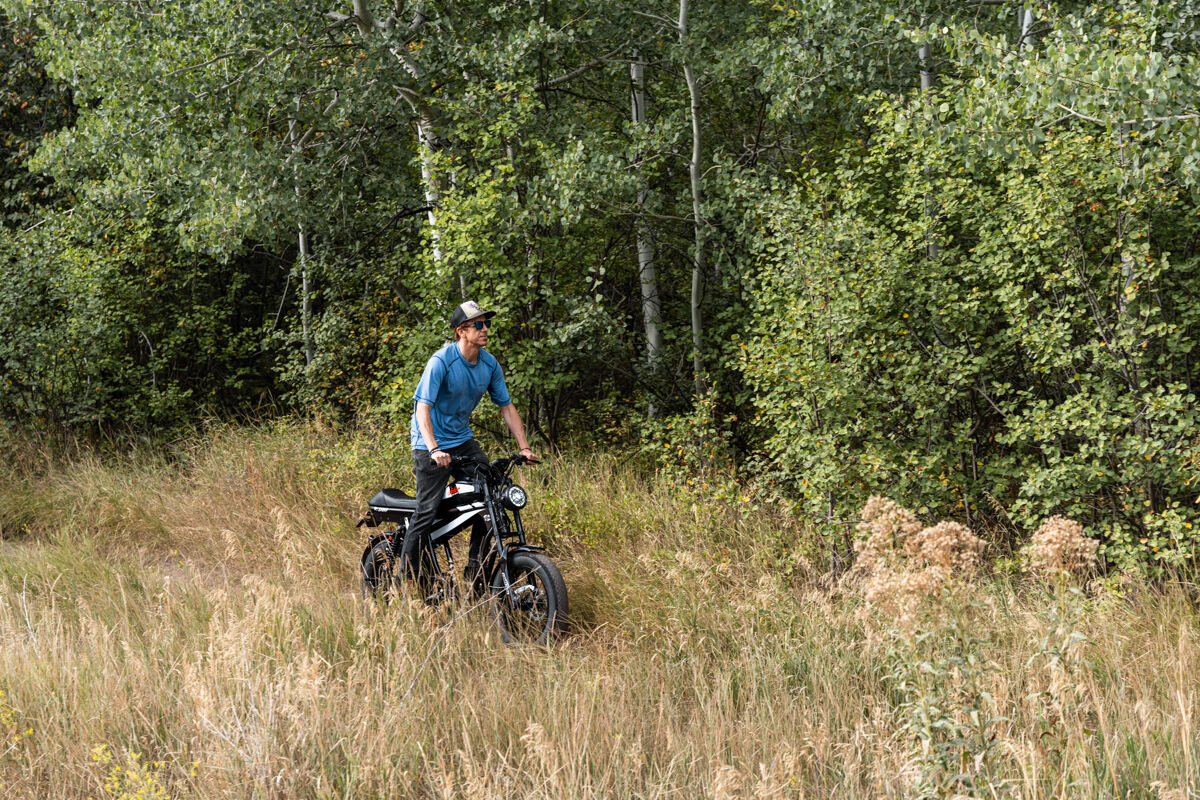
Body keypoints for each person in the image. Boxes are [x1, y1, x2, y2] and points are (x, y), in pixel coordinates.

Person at [400, 299, 538, 590]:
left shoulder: (489, 363)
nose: (485, 329)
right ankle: (405, 578)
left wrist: (524, 447)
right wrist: (435, 449)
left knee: (491, 499)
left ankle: (475, 572)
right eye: (479, 324)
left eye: (486, 323)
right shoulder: (442, 362)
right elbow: (422, 409)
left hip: (462, 441)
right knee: (426, 511)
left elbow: (507, 407)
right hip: (430, 443)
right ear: (461, 331)